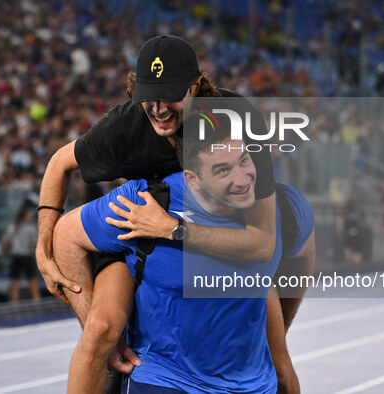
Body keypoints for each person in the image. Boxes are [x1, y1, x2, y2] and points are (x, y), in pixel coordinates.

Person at [36, 35, 297, 391]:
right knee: (100, 331)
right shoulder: (125, 126)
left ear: (195, 87)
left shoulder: (236, 120)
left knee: (277, 353)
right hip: (136, 239)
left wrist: (172, 228)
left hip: (208, 236)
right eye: (149, 98)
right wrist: (42, 246)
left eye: (170, 95)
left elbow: (263, 243)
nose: (159, 109)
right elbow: (58, 164)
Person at [52, 118, 314, 392]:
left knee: (282, 366)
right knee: (100, 330)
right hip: (166, 380)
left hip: (252, 384)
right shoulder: (146, 202)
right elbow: (66, 235)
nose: (242, 179)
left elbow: (303, 254)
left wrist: (279, 324)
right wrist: (91, 317)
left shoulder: (284, 207)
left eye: (244, 161)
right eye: (223, 170)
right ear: (193, 179)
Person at [3, 206, 40, 301]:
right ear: (26, 216)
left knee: (15, 282)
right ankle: (37, 304)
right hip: (27, 257)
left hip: (16, 257)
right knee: (32, 282)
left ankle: (13, 306)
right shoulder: (30, 228)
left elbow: (6, 243)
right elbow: (34, 245)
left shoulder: (13, 227)